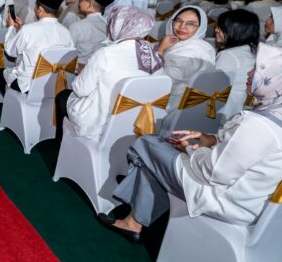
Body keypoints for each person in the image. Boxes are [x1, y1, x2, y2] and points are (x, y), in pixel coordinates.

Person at [98, 42, 282, 243]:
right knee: (157, 155)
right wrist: (211, 139)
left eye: (257, 70)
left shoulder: (258, 126)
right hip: (245, 199)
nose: (249, 73)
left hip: (221, 197)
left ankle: (134, 215)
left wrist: (189, 149)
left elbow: (214, 173)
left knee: (146, 144)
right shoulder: (273, 114)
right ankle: (135, 220)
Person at [55, 6, 163, 141]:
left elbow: (80, 90)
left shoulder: (106, 53)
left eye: (111, 22)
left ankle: (59, 145)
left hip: (98, 124)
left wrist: (87, 71)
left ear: (117, 26)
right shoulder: (154, 56)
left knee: (62, 96)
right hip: (135, 121)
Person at [1, 0, 73, 94]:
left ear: (40, 10)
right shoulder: (66, 33)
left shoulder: (29, 30)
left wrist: (11, 27)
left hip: (29, 85)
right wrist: (21, 29)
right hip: (54, 84)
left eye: (35, 6)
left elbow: (10, 51)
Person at [158, 6, 217, 129]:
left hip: (173, 106)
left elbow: (162, 82)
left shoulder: (192, 51)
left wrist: (161, 50)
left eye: (190, 23)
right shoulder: (205, 46)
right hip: (192, 107)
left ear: (200, 27)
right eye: (178, 21)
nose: (182, 27)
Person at [214, 9, 259, 121]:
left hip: (224, 111)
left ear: (236, 30)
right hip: (242, 108)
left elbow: (215, 88)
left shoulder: (229, 55)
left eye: (221, 27)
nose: (216, 30)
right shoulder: (253, 49)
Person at [68, 0, 114, 68]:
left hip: (77, 70)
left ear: (90, 5)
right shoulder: (109, 27)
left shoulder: (77, 26)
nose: (79, 2)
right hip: (98, 69)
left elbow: (66, 53)